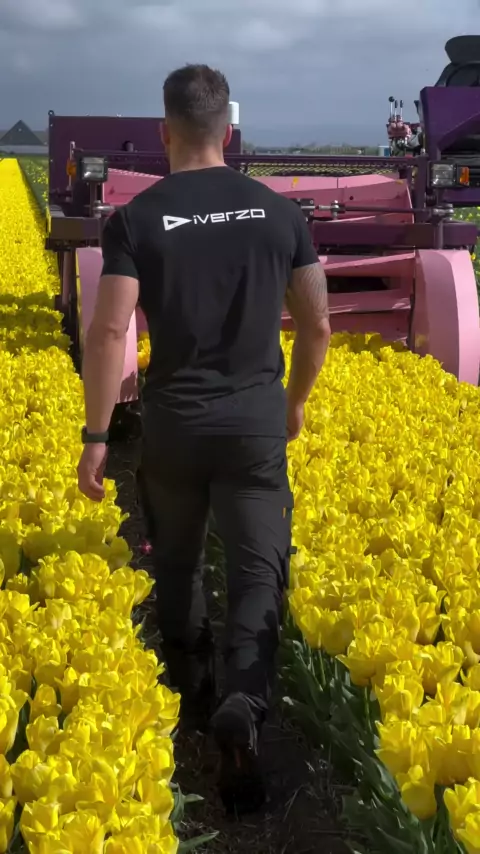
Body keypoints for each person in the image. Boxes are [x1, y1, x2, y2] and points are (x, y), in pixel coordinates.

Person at [77, 63, 331, 815]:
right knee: (257, 575)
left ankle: (192, 703)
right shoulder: (279, 215)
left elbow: (110, 332)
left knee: (178, 565)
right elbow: (318, 324)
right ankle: (243, 708)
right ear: (229, 131)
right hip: (253, 426)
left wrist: (97, 436)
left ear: (164, 132)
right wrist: (293, 404)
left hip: (175, 427)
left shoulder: (136, 220)